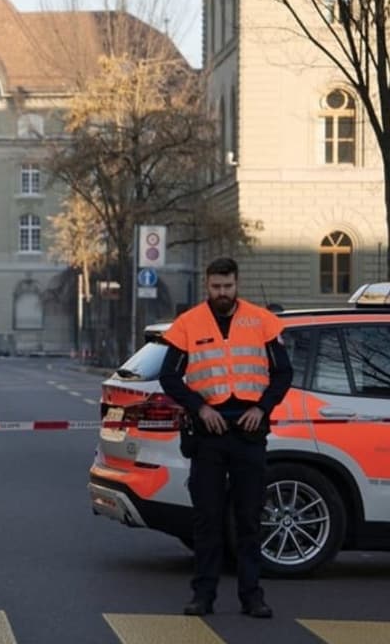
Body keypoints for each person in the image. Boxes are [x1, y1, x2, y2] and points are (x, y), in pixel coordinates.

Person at [159, 257, 292, 619]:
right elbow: (169, 376)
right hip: (209, 435)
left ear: (237, 283)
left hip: (249, 434)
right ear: (207, 285)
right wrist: (200, 408)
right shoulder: (189, 323)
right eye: (216, 287)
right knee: (208, 520)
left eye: (228, 286)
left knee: (249, 519)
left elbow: (283, 373)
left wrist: (262, 408)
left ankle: (253, 597)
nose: (222, 293)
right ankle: (203, 596)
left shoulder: (261, 320)